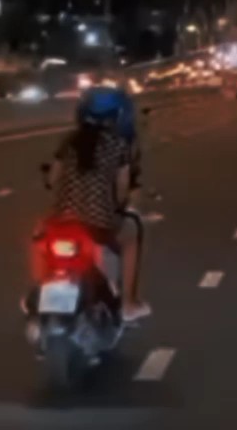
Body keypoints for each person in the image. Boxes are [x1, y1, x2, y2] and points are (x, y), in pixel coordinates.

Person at [30, 85, 151, 323]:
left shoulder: (69, 141)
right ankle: (128, 303)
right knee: (131, 235)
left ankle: (37, 292)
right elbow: (122, 188)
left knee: (39, 237)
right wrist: (121, 204)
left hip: (63, 219)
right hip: (99, 223)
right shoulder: (119, 144)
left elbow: (53, 179)